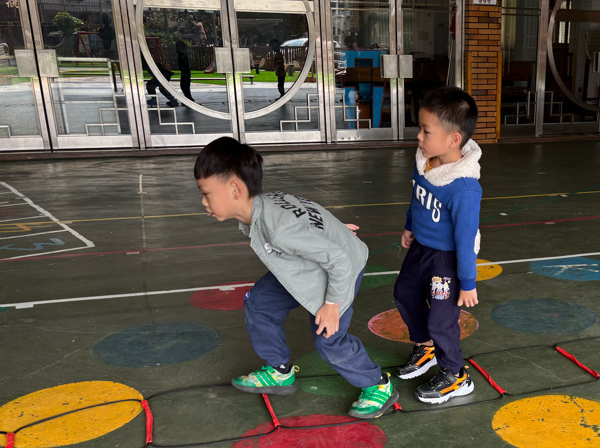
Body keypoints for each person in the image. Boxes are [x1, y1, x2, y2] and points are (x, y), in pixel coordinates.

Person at [194, 136, 398, 419]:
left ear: (235, 189)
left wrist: (332, 305)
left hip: (342, 269)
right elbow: (307, 211)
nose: (203, 201)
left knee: (329, 341)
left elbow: (338, 261)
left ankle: (377, 385)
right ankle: (279, 371)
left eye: (207, 193)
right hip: (304, 264)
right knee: (259, 303)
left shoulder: (279, 231)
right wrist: (332, 230)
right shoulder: (265, 204)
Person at [393, 86, 482, 403]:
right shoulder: (425, 163)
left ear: (454, 139)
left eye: (426, 131)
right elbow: (417, 199)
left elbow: (466, 239)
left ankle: (456, 375)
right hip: (421, 247)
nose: (419, 136)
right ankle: (426, 346)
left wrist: (467, 282)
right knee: (404, 293)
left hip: (447, 260)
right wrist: (410, 226)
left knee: (441, 320)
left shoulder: (464, 188)